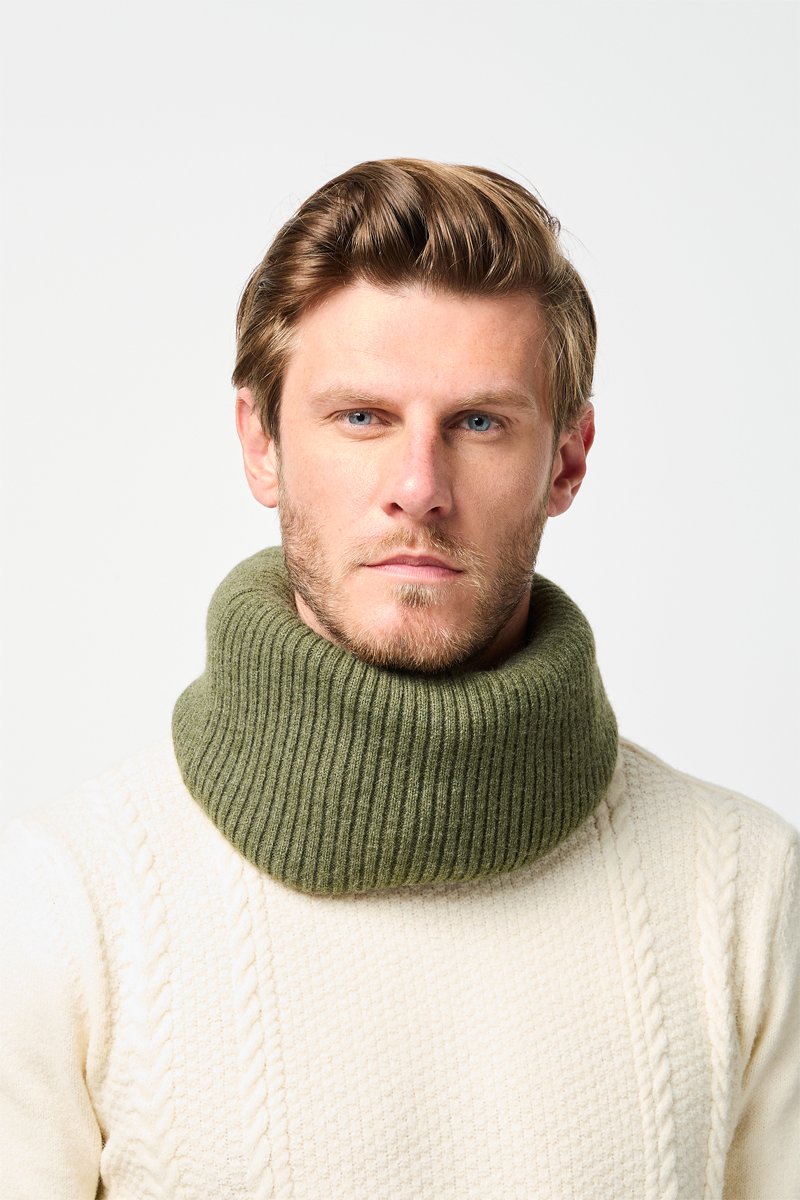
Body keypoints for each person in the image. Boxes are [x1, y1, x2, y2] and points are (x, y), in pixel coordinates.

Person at [1, 158, 797, 1200]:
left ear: (567, 459)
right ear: (260, 444)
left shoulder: (744, 894)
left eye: (480, 422)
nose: (418, 489)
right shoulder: (64, 902)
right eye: (362, 418)